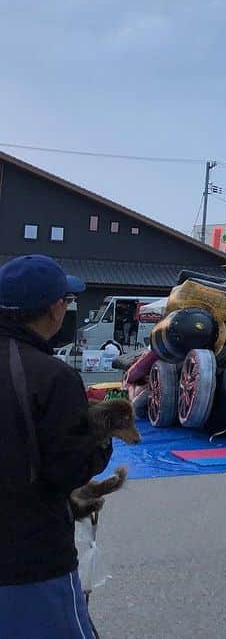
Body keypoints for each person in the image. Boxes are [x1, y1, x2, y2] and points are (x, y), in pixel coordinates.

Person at [0, 255, 113, 638]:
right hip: (29, 559)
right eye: (66, 301)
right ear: (53, 308)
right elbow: (70, 468)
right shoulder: (53, 376)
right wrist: (103, 432)